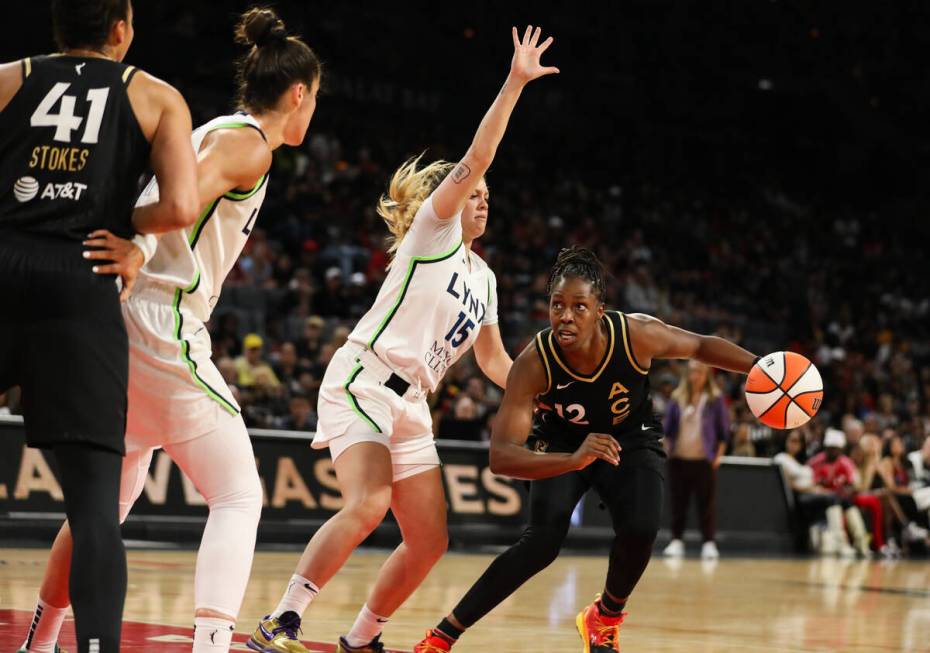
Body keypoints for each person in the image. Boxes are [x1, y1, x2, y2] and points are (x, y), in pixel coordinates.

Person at [16, 7, 321, 653]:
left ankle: (38, 644)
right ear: (298, 94)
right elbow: (188, 203)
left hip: (115, 314)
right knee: (238, 493)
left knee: (104, 508)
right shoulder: (247, 143)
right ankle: (209, 645)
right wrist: (135, 246)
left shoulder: (217, 128)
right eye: (314, 98)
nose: (313, 110)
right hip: (160, 318)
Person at [249, 25, 557, 653]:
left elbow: (496, 361)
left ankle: (362, 639)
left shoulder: (487, 278)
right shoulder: (433, 232)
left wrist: (545, 391)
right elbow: (478, 158)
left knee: (430, 539)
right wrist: (515, 82)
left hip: (414, 402)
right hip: (365, 375)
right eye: (476, 191)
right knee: (368, 504)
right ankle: (282, 619)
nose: (483, 199)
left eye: (489, 197)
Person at [413, 247, 758, 653]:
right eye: (557, 305)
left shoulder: (636, 334)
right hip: (561, 441)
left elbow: (699, 347)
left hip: (629, 437)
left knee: (643, 527)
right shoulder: (534, 362)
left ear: (599, 310)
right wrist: (574, 459)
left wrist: (760, 368)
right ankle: (443, 634)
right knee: (540, 543)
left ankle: (605, 618)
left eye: (579, 306)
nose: (565, 316)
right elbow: (501, 456)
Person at [0, 1, 199, 651]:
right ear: (122, 29)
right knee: (93, 508)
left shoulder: (7, 77)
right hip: (80, 278)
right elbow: (180, 205)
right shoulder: (157, 96)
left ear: (56, 28)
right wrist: (129, 233)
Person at [661, 360, 730, 560]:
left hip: (704, 460)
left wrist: (718, 457)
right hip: (679, 458)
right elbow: (667, 429)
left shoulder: (714, 399)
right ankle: (676, 541)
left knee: (706, 504)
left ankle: (709, 543)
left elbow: (723, 433)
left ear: (706, 374)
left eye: (698, 372)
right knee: (677, 503)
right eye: (691, 372)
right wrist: (666, 448)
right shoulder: (677, 397)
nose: (694, 376)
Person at [806, 429, 870, 557]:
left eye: (835, 448)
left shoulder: (846, 462)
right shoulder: (815, 462)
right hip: (820, 498)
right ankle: (841, 544)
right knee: (834, 499)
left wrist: (848, 490)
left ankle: (861, 543)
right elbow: (809, 484)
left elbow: (855, 484)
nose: (832, 451)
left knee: (848, 503)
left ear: (841, 449)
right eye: (830, 448)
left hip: (839, 498)